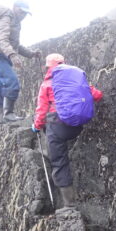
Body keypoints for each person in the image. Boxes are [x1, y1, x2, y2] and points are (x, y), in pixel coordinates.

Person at [31, 54, 103, 214]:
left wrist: (36, 126)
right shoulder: (75, 80)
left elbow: (42, 111)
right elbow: (97, 95)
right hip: (77, 126)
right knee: (61, 150)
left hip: (57, 125)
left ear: (49, 67)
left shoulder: (47, 84)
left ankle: (69, 205)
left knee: (59, 162)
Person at [0, 1, 41, 123]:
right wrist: (12, 55)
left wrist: (31, 54)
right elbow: (2, 39)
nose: (23, 15)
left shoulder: (15, 21)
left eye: (25, 13)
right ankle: (8, 113)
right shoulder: (6, 16)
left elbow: (15, 45)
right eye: (21, 11)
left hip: (0, 55)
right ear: (15, 8)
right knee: (12, 82)